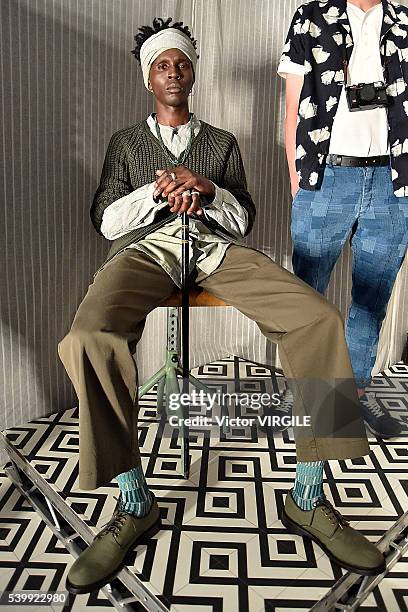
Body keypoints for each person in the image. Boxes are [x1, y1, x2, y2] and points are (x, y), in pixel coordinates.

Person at [58, 17, 385, 595]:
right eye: (163, 64)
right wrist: (157, 190)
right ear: (147, 78)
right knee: (87, 337)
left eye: (182, 62)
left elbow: (244, 219)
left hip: (215, 252)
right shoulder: (125, 145)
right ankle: (134, 501)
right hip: (146, 253)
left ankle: (307, 495)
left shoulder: (221, 143)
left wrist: (207, 189)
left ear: (193, 72)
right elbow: (106, 221)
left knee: (321, 318)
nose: (174, 71)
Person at [279, 0, 408, 438]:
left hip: (392, 181)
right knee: (305, 298)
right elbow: (293, 104)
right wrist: (298, 180)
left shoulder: (405, 20)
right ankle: (306, 400)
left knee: (371, 301)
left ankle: (350, 403)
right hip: (326, 175)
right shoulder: (311, 16)